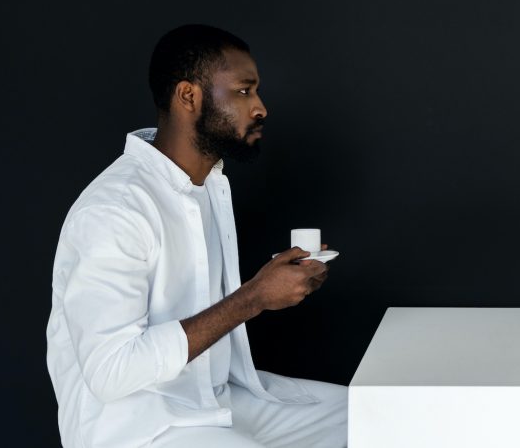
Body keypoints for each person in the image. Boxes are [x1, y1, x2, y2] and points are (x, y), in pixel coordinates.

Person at [47, 25, 348, 448]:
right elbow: (109, 372)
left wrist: (273, 284)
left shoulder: (209, 184)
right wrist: (255, 296)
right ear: (188, 96)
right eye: (244, 92)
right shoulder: (115, 209)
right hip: (140, 426)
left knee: (371, 417)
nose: (260, 108)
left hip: (216, 398)